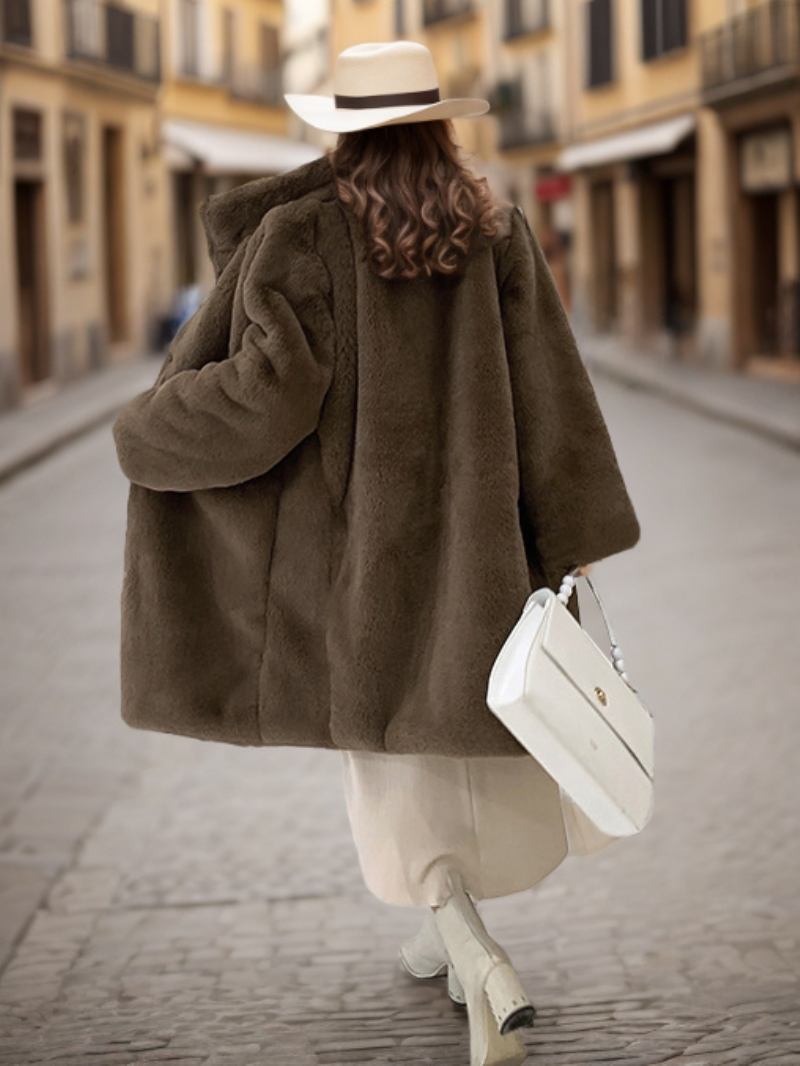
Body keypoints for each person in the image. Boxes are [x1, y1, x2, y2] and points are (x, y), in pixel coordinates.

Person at [111, 41, 641, 1066]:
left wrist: (149, 426)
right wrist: (568, 544)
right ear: (440, 122)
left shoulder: (302, 236)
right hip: (482, 564)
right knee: (458, 759)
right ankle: (440, 942)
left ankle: (479, 964)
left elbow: (263, 398)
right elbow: (552, 395)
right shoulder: (495, 228)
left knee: (394, 783)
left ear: (339, 130)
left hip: (361, 577)